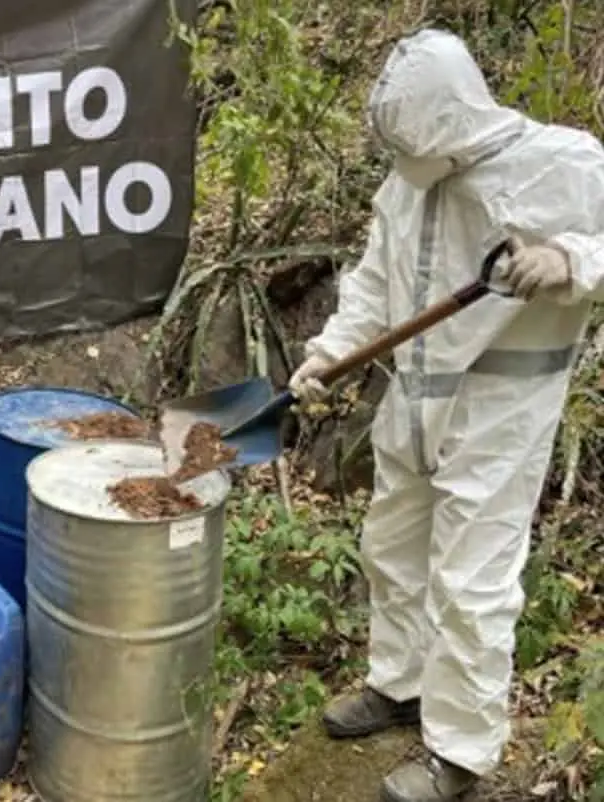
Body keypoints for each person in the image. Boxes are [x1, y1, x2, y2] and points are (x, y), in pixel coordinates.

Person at [289, 28, 604, 802]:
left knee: (472, 581)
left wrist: (569, 259)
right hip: (416, 394)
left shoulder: (566, 162)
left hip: (502, 407)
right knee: (391, 546)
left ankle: (460, 754)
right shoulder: (409, 184)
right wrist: (330, 351)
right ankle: (399, 685)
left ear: (449, 121)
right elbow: (372, 283)